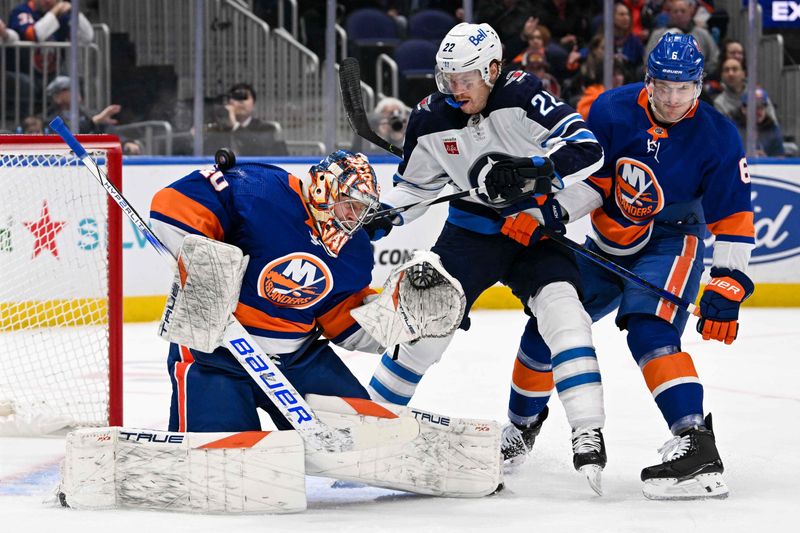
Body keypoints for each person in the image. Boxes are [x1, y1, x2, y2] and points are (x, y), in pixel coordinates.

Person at [503, 33, 753, 500]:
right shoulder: (612, 110)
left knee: (650, 329)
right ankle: (520, 429)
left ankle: (695, 443)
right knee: (547, 325)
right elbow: (597, 182)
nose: (674, 98)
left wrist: (730, 280)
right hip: (606, 240)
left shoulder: (719, 135)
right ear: (648, 80)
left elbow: (733, 218)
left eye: (684, 87)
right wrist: (551, 213)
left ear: (700, 86)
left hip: (671, 241)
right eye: (664, 86)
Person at [362, 22, 608, 491]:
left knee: (565, 314)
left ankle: (588, 431)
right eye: (448, 78)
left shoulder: (523, 95)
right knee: (426, 326)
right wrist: (386, 214)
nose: (456, 89)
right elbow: (415, 187)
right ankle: (369, 427)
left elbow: (587, 149)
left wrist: (531, 173)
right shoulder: (429, 118)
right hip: (469, 236)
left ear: (493, 70)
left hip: (530, 230)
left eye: (467, 79)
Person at [149, 150, 392, 432]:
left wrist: (393, 324)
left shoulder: (355, 249)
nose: (355, 218)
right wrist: (204, 261)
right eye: (350, 204)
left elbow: (339, 313)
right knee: (220, 464)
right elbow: (171, 204)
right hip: (217, 356)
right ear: (325, 187)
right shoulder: (258, 188)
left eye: (362, 210)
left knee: (361, 436)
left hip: (297, 362)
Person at [206, 82, 289, 156]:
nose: (241, 102)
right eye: (237, 98)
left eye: (245, 98)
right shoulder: (220, 131)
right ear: (228, 103)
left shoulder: (266, 128)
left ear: (254, 105)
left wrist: (235, 126)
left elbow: (260, 148)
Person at [646, 0, 718, 74]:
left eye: (683, 11)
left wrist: (699, 71)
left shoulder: (703, 34)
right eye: (675, 11)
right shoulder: (657, 35)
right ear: (670, 14)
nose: (679, 14)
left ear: (690, 13)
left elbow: (715, 59)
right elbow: (648, 59)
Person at [45, 75, 121, 134]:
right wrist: (93, 122)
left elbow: (111, 133)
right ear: (57, 97)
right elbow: (68, 138)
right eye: (69, 88)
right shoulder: (51, 120)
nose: (76, 90)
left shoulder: (90, 114)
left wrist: (126, 143)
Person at [736, 88, 785, 157]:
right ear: (743, 109)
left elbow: (780, 159)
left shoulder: (773, 130)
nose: (759, 112)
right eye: (754, 107)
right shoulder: (733, 130)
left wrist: (765, 160)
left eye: (762, 107)